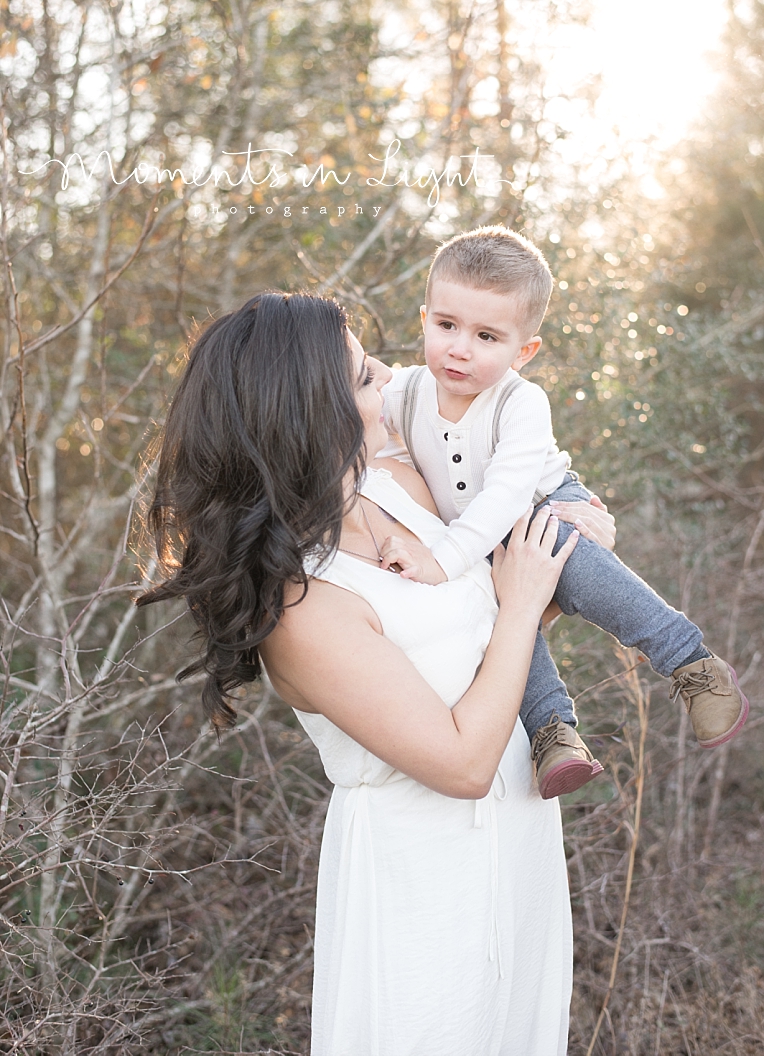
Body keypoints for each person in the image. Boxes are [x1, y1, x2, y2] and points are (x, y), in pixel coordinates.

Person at [138, 291, 616, 1055]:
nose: (392, 377)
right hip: (420, 876)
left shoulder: (400, 485)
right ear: (313, 417)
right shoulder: (303, 607)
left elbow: (485, 639)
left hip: (520, 838)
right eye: (365, 377)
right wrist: (525, 605)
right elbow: (461, 762)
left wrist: (571, 542)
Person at [379, 226, 749, 800]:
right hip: (474, 538)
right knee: (496, 615)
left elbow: (505, 495)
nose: (459, 348)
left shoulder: (521, 402)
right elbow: (351, 421)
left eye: (487, 336)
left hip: (539, 505)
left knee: (563, 556)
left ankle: (690, 663)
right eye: (446, 326)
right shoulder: (402, 392)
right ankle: (553, 732)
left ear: (523, 351)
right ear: (424, 317)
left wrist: (444, 559)